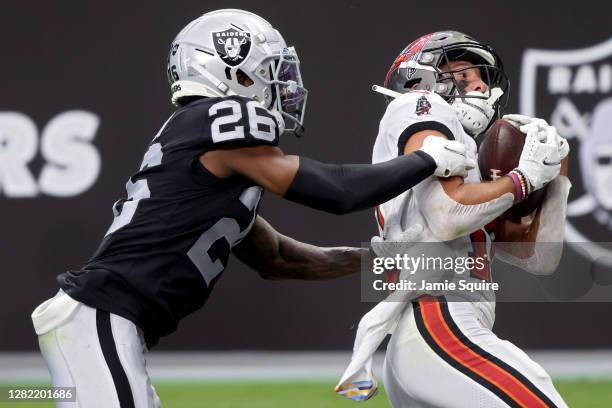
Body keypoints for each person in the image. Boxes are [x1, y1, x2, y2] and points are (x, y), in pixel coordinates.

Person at [30, 11, 473, 408]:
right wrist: (427, 159)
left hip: (109, 321)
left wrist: (379, 261)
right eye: (271, 70)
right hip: (100, 315)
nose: (285, 83)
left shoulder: (212, 163)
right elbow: (335, 192)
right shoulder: (220, 118)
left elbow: (280, 258)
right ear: (229, 67)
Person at [336, 31, 571, 407]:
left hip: (437, 330)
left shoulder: (467, 158)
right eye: (463, 76)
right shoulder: (419, 104)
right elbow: (447, 216)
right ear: (418, 78)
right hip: (440, 321)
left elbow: (539, 258)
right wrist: (522, 179)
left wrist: (555, 175)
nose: (478, 86)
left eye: (481, 80)